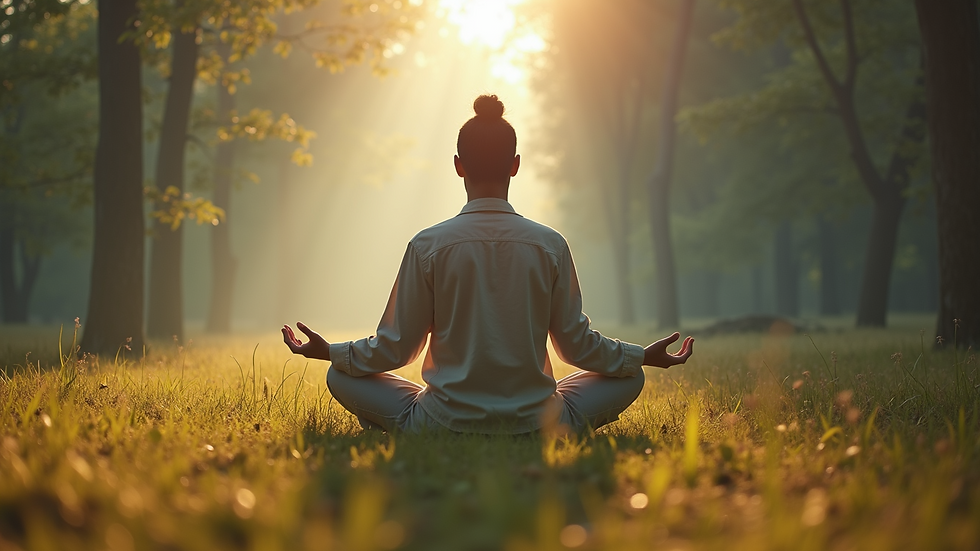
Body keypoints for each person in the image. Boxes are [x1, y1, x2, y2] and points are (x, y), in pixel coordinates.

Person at [282, 94, 694, 435]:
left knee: (339, 376)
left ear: (458, 165)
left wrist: (330, 352)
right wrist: (642, 356)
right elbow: (575, 345)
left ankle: (409, 425)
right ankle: (558, 422)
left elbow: (398, 347)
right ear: (515, 165)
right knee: (631, 375)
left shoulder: (427, 245)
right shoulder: (550, 245)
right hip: (537, 420)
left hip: (442, 420)